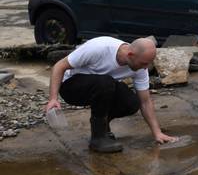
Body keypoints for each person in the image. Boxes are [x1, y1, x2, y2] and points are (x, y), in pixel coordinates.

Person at [44, 36, 177, 153]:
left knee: (131, 102)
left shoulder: (140, 66)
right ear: (130, 55)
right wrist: (53, 99)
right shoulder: (99, 48)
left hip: (102, 88)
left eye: (148, 64)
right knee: (105, 81)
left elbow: (145, 101)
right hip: (71, 87)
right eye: (143, 64)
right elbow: (59, 66)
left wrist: (157, 133)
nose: (145, 68)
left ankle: (102, 126)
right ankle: (98, 138)